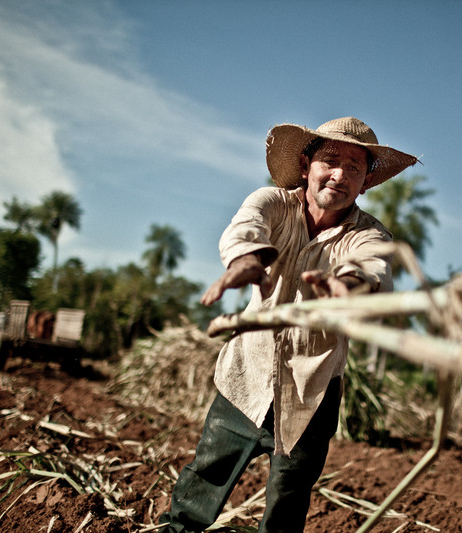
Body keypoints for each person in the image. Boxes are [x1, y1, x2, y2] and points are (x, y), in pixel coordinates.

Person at [158, 117, 418, 532]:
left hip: (312, 393)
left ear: (366, 182)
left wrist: (346, 288)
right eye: (330, 160)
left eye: (354, 167)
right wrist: (246, 261)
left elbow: (370, 269)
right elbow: (247, 229)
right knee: (204, 479)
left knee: (288, 501)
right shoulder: (273, 203)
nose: (340, 174)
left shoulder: (369, 235)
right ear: (304, 165)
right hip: (245, 378)